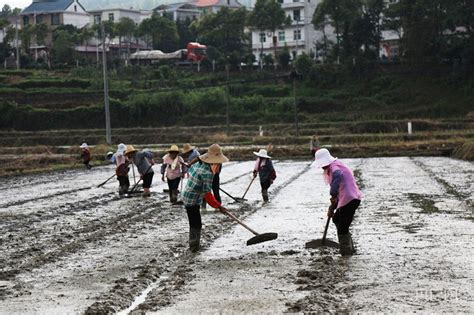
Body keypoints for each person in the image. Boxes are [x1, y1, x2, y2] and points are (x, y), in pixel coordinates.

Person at [313, 148, 362, 256]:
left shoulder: (335, 167)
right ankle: (350, 248)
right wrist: (332, 208)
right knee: (336, 219)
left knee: (342, 228)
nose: (321, 167)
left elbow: (338, 175)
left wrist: (333, 193)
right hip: (347, 198)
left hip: (350, 199)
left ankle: (346, 253)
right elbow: (340, 192)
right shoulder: (335, 165)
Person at [182, 144, 228, 252]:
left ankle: (193, 244)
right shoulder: (207, 173)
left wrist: (189, 163)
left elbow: (197, 158)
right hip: (192, 199)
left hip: (187, 195)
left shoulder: (199, 163)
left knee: (193, 221)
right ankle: (194, 246)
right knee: (196, 223)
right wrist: (219, 207)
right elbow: (207, 194)